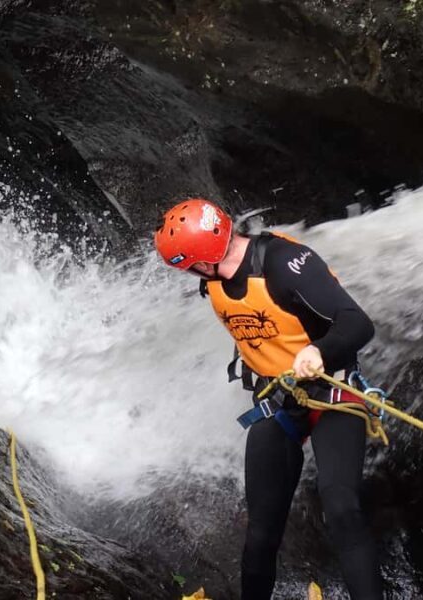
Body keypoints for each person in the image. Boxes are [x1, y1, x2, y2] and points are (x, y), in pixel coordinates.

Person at [154, 198, 383, 600]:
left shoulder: (284, 262)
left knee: (341, 507)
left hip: (332, 389)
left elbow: (357, 322)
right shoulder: (214, 277)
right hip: (279, 398)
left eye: (185, 265)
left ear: (201, 262)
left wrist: (319, 351)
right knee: (261, 531)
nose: (186, 273)